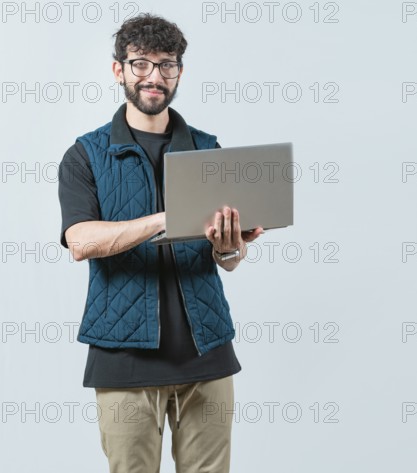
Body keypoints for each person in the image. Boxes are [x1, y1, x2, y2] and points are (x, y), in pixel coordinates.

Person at [58, 13, 262, 473]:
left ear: (179, 72)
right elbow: (80, 241)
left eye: (167, 65)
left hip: (207, 355)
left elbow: (227, 261)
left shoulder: (208, 150)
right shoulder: (85, 155)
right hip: (124, 359)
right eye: (141, 64)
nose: (155, 76)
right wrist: (165, 220)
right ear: (119, 70)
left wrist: (231, 244)